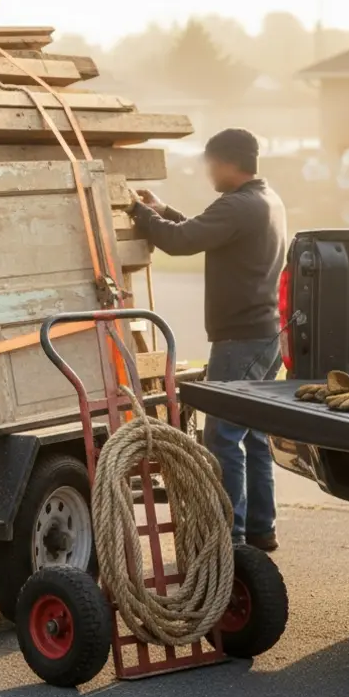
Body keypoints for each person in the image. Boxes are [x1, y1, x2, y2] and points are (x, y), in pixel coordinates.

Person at [129, 128, 288, 552]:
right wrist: (162, 209)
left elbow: (182, 241)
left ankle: (230, 537)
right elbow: (202, 230)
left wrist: (139, 214)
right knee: (251, 434)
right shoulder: (264, 199)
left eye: (210, 164)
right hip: (265, 334)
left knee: (222, 437)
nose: (208, 173)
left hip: (241, 339)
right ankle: (259, 528)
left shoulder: (238, 205)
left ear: (226, 163)